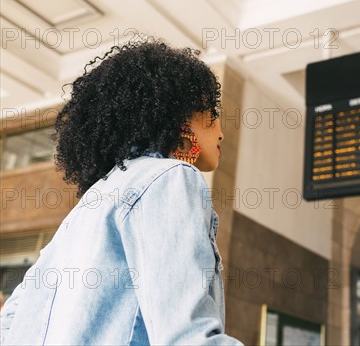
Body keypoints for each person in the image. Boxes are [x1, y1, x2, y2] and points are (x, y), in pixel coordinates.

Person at [0, 37, 244, 345]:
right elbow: (187, 336)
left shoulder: (86, 209)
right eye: (210, 111)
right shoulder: (170, 178)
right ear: (178, 116)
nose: (221, 130)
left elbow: (10, 324)